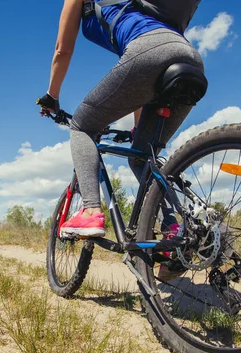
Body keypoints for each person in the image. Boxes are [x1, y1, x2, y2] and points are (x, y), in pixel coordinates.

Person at [38, 0, 204, 239]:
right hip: (190, 60)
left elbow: (62, 50)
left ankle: (91, 210)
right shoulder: (137, 6)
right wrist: (138, 128)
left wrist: (51, 97)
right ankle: (174, 231)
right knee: (142, 157)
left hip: (149, 51)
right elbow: (143, 91)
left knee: (82, 127)